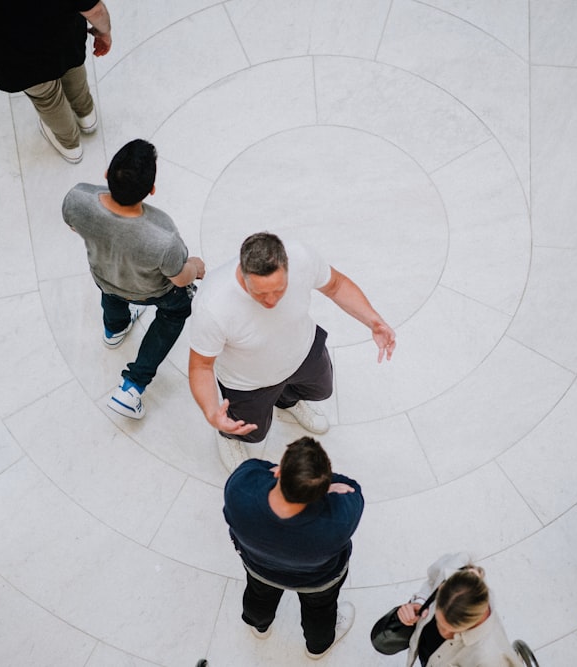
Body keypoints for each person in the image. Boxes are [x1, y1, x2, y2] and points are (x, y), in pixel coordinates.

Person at [188, 232, 396, 471]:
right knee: (253, 434)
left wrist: (374, 321)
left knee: (321, 390)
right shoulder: (213, 305)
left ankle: (287, 402)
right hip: (248, 382)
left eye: (279, 290)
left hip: (303, 351)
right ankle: (227, 436)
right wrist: (212, 412)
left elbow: (336, 286)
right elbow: (201, 366)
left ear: (288, 268)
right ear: (242, 275)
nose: (271, 301)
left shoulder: (301, 257)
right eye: (260, 293)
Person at [62, 139, 205, 419]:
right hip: (153, 290)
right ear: (151, 190)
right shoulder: (162, 234)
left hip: (105, 276)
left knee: (112, 295)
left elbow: (74, 227)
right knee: (176, 312)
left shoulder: (77, 198)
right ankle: (132, 386)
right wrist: (196, 267)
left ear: (107, 173)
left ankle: (114, 330)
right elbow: (178, 278)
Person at [223, 437, 363, 660]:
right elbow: (353, 490)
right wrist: (325, 485)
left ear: (278, 472)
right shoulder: (340, 520)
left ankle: (260, 626)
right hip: (318, 580)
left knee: (258, 596)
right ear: (323, 490)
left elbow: (255, 467)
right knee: (320, 612)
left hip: (258, 566)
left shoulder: (240, 490)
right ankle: (317, 648)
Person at [0, 0, 113, 163]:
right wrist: (104, 32)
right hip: (64, 35)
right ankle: (86, 114)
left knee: (47, 97)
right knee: (73, 68)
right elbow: (94, 10)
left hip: (15, 55)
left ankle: (70, 143)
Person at [393, 553, 520, 667]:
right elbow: (432, 582)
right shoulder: (454, 566)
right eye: (437, 620)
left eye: (450, 630)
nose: (441, 633)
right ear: (442, 588)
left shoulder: (491, 659)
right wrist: (421, 601)